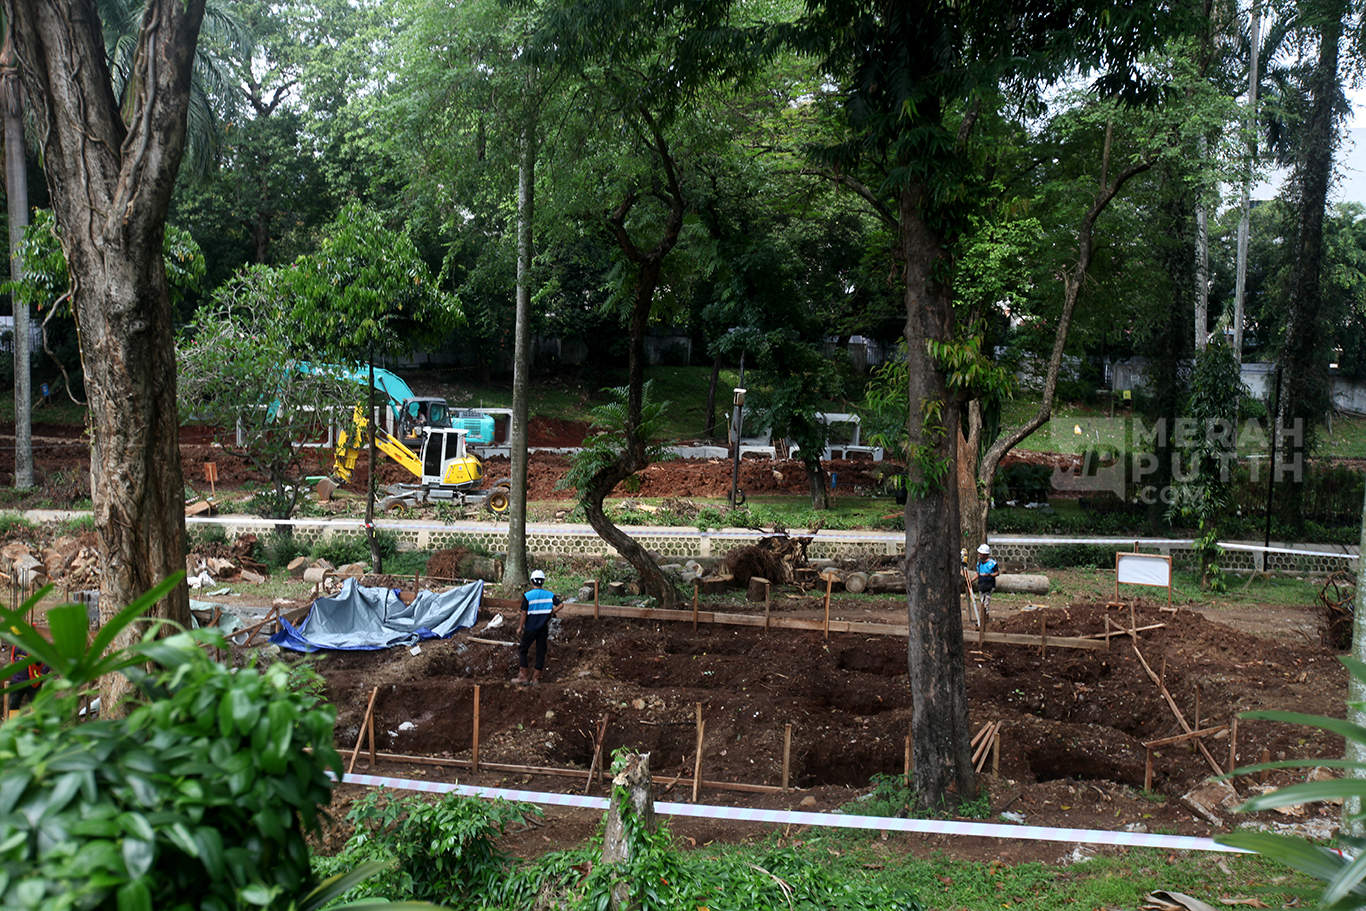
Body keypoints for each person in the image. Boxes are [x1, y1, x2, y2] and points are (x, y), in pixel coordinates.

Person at [513, 569, 564, 685]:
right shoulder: (549, 595)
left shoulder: (528, 596)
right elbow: (561, 605)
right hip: (543, 629)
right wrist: (551, 612)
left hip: (530, 628)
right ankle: (536, 678)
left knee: (523, 649)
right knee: (540, 652)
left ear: (532, 581)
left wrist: (520, 627)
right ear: (543, 581)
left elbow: (523, 613)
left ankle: (523, 676)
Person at [975, 543, 1000, 621]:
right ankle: (984, 616)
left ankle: (985, 617)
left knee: (986, 601)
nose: (979, 555)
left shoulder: (992, 563)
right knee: (982, 601)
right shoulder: (979, 564)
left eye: (981, 554)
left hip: (989, 585)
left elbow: (997, 573)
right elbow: (977, 574)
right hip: (982, 584)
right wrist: (971, 580)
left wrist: (990, 575)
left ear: (985, 554)